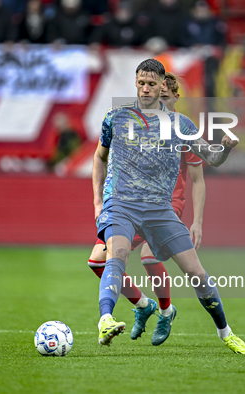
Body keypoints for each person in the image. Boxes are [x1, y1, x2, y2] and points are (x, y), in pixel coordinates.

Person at [93, 59, 245, 354]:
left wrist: (227, 147)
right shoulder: (116, 117)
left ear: (162, 85)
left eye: (151, 84)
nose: (145, 89)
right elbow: (99, 156)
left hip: (159, 209)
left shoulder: (180, 125)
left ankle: (226, 333)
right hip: (122, 204)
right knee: (115, 256)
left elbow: (212, 158)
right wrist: (98, 200)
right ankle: (106, 319)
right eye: (140, 83)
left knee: (196, 272)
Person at [87, 72, 206, 346]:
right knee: (96, 261)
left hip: (167, 204)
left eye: (165, 96)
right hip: (133, 203)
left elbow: (198, 179)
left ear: (176, 98)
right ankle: (143, 305)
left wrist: (197, 221)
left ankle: (165, 312)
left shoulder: (182, 131)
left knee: (149, 257)